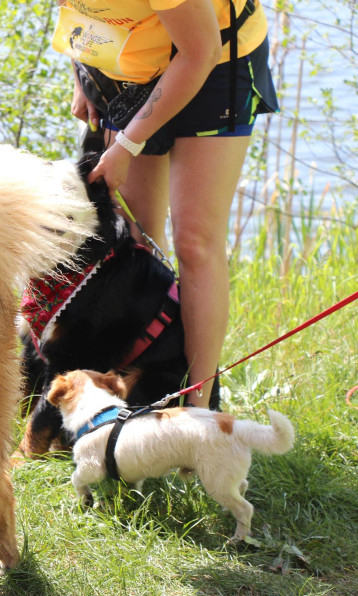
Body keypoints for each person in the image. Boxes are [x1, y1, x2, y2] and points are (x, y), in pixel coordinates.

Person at [55, 0, 278, 407]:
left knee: (195, 242)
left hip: (214, 59)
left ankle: (198, 410)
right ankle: (135, 399)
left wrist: (126, 143)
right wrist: (82, 74)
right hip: (128, 62)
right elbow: (78, 10)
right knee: (135, 241)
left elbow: (200, 51)